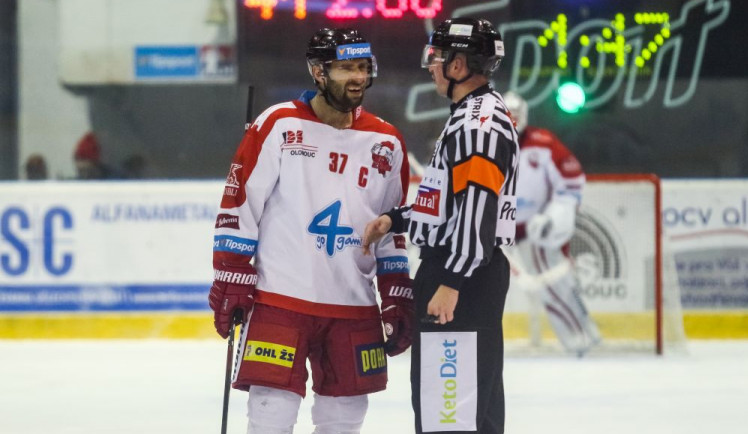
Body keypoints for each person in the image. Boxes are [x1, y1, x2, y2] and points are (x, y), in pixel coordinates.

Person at [208, 28, 414, 434]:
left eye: (362, 67)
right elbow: (239, 204)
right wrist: (231, 274)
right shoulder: (279, 124)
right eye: (345, 68)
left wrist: (396, 291)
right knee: (271, 412)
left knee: (345, 417)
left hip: (354, 304)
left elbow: (393, 228)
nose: (357, 77)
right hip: (280, 300)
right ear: (318, 72)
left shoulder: (386, 141)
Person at [363, 17, 519, 434]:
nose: (431, 66)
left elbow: (477, 208)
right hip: (468, 270)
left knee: (448, 411)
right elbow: (452, 204)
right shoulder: (475, 115)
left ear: (458, 66)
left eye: (437, 58)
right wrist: (395, 219)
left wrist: (452, 280)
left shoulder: (477, 124)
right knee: (472, 411)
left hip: (460, 275)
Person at [503, 91, 601, 356]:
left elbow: (571, 183)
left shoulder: (543, 143)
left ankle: (582, 338)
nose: (513, 119)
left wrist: (552, 218)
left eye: (517, 114)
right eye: (508, 114)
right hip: (492, 234)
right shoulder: (484, 143)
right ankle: (464, 345)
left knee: (555, 286)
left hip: (531, 231)